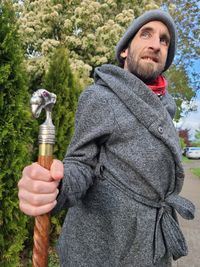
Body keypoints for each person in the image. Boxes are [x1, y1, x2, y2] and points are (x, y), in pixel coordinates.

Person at [18, 9, 195, 267]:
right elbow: (81, 165)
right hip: (104, 251)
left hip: (154, 250)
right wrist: (55, 185)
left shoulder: (166, 109)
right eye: (146, 34)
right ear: (125, 50)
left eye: (164, 40)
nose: (156, 44)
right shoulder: (101, 96)